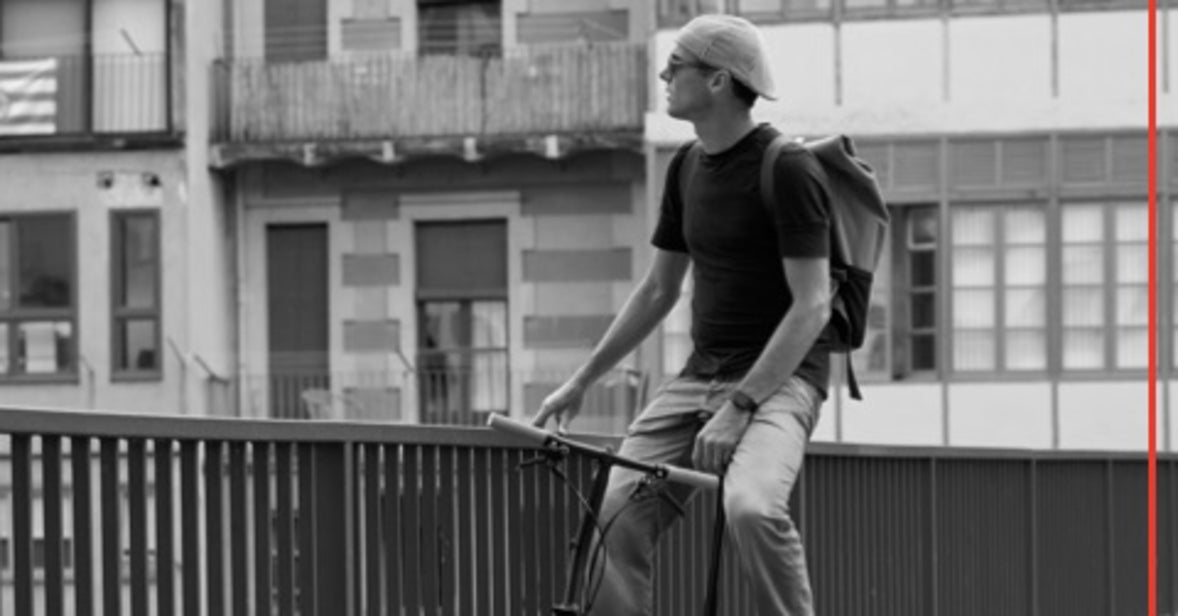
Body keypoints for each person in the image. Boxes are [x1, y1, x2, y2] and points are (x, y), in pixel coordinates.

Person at [530, 13, 833, 616]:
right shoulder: (687, 167)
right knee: (614, 508)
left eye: (677, 66)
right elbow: (657, 291)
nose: (664, 76)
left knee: (749, 506)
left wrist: (740, 406)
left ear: (718, 81)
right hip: (699, 378)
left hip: (778, 385)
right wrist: (580, 381)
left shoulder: (789, 169)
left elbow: (813, 304)